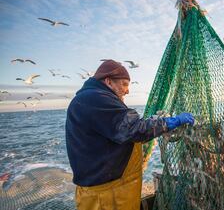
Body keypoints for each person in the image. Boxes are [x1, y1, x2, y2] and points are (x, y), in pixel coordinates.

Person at [66, 60, 194, 210]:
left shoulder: (91, 98)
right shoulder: (95, 98)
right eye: (124, 84)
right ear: (108, 82)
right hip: (107, 196)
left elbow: (120, 129)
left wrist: (150, 122)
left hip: (112, 189)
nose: (127, 91)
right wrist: (171, 122)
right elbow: (133, 129)